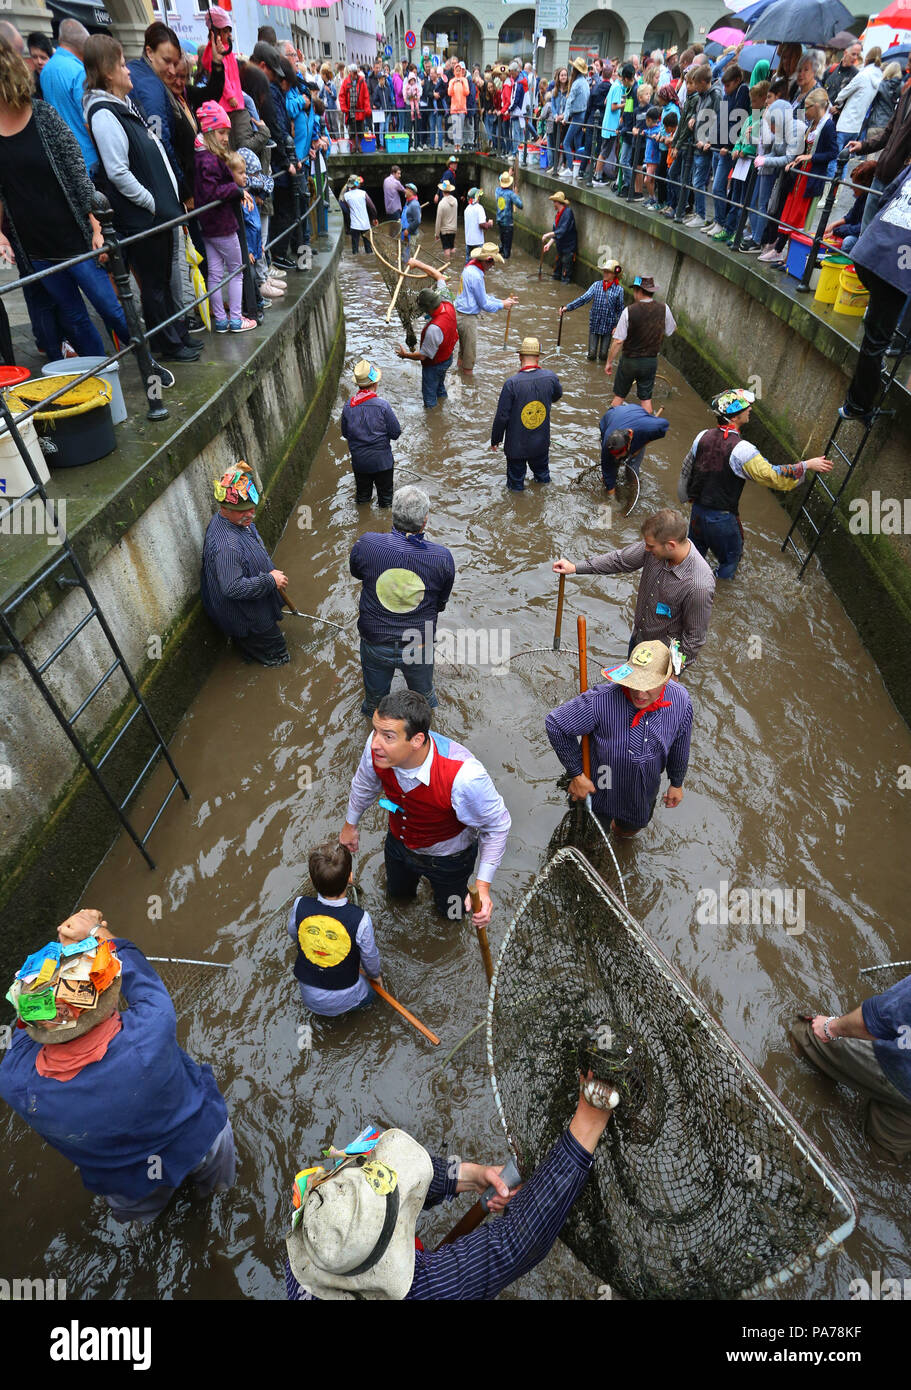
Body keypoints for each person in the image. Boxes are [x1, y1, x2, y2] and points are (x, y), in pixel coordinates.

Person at [284, 1070, 617, 1299]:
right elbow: (514, 1244)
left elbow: (392, 1181)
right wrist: (589, 1119)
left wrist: (472, 1176)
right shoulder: (428, 1292)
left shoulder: (313, 1234)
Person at [0, 908, 235, 1225]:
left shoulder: (15, 1081)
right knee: (220, 1189)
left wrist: (47, 981)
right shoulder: (153, 1024)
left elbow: (24, 1027)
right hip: (201, 1139)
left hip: (129, 1182)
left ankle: (149, 1224)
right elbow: (132, 965)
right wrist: (93, 932)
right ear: (110, 997)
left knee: (143, 1218)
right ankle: (220, 1199)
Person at [0, 39, 131, 361]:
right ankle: (102, 378)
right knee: (73, 317)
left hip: (75, 239)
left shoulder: (43, 116)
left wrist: (97, 228)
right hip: (36, 247)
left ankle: (148, 360)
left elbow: (77, 175)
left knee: (111, 308)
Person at [339, 690, 510, 926]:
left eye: (388, 736)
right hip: (399, 845)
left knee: (450, 916)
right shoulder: (376, 746)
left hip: (450, 860)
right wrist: (350, 825)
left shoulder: (465, 776)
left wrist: (482, 886)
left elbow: (497, 825)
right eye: (375, 730)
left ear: (417, 740)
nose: (375, 743)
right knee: (397, 898)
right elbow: (364, 784)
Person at [84, 34, 199, 366]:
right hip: (145, 216)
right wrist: (150, 201)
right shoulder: (104, 113)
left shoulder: (122, 105)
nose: (129, 70)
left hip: (158, 211)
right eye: (121, 65)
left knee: (162, 278)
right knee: (154, 283)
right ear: (107, 72)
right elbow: (118, 171)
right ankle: (169, 343)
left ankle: (176, 337)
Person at [677, 388, 833, 578]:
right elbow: (772, 476)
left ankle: (687, 587)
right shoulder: (743, 450)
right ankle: (719, 594)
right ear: (734, 417)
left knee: (693, 559)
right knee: (729, 561)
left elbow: (687, 470)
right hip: (721, 519)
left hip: (697, 514)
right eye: (745, 407)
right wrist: (806, 465)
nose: (750, 409)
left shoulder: (702, 436)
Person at [545, 639, 692, 839]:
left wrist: (676, 783)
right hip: (600, 788)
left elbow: (681, 743)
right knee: (591, 836)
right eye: (635, 683)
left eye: (649, 685)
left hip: (643, 790)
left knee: (630, 829)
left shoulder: (681, 701)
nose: (640, 693)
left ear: (666, 680)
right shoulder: (601, 701)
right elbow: (556, 724)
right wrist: (577, 774)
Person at [553, 509, 715, 669]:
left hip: (662, 658)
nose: (646, 549)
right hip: (639, 637)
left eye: (650, 546)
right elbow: (619, 560)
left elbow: (694, 639)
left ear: (671, 545)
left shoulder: (699, 585)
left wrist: (673, 673)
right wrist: (575, 567)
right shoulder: (655, 549)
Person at [348, 486, 454, 713]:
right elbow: (440, 603)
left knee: (375, 703)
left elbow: (357, 573)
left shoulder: (366, 545)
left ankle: (375, 737)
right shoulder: (441, 557)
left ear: (393, 515)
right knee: (422, 700)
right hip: (418, 643)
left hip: (375, 641)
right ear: (425, 521)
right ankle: (424, 738)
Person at [788, 971, 911, 1162]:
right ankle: (882, 1158)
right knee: (886, 1151)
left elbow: (872, 1021)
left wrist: (830, 1027)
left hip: (901, 1069)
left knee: (805, 1031)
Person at [838, 164, 911, 421]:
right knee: (876, 339)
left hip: (870, 251)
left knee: (876, 331)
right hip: (894, 265)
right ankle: (857, 406)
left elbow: (887, 194)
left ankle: (860, 392)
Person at [200, 460, 290, 666]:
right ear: (225, 508)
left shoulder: (238, 520)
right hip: (247, 618)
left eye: (252, 508)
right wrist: (269, 580)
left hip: (255, 606)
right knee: (278, 655)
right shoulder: (227, 547)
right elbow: (232, 588)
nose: (250, 514)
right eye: (243, 511)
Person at [288, 842, 382, 1018]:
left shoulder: (300, 904)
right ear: (350, 878)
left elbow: (294, 933)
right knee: (371, 996)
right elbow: (370, 957)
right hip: (348, 997)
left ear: (310, 879)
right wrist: (375, 977)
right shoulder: (361, 919)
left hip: (310, 999)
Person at [194, 101, 257, 333]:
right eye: (221, 132)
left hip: (208, 227)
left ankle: (220, 320)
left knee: (215, 273)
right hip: (222, 226)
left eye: (227, 133)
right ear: (210, 132)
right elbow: (213, 193)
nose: (225, 138)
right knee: (237, 270)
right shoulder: (210, 159)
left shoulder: (200, 155)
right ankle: (236, 319)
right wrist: (237, 190)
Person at [490, 336, 563, 492]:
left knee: (515, 487)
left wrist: (495, 440)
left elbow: (502, 416)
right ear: (538, 357)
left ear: (520, 356)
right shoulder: (550, 377)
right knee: (543, 479)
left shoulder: (512, 383)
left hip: (516, 446)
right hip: (541, 443)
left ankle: (519, 512)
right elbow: (557, 395)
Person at [605, 274, 675, 412]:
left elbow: (618, 341)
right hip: (650, 361)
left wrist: (609, 362)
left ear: (638, 291)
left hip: (629, 361)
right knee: (646, 399)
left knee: (619, 397)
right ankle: (647, 428)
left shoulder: (629, 311)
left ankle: (608, 425)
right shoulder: (664, 308)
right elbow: (671, 330)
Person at [395, 257, 458, 410]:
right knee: (440, 387)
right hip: (448, 358)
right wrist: (417, 263)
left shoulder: (433, 329)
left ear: (428, 310)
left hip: (434, 365)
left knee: (429, 399)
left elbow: (424, 356)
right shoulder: (447, 301)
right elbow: (439, 276)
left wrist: (405, 355)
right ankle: (443, 403)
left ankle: (433, 421)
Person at [35, 17, 95, 173]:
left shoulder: (46, 70)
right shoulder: (79, 71)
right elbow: (88, 121)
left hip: (63, 158)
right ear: (83, 45)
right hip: (88, 159)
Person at [340, 359, 400, 507]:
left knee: (362, 498)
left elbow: (345, 433)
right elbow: (396, 433)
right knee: (386, 501)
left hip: (360, 463)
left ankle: (362, 525)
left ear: (358, 384)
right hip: (382, 463)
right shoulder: (383, 406)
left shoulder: (348, 407)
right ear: (375, 384)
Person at [454, 241, 517, 374]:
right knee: (469, 360)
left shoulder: (470, 268)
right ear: (487, 260)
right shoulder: (477, 276)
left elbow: (483, 297)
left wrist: (502, 301)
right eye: (493, 262)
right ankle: (468, 387)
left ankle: (457, 378)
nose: (493, 265)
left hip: (459, 315)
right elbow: (484, 304)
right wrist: (502, 305)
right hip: (467, 320)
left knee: (462, 353)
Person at [559, 254, 625, 365]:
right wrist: (567, 307)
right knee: (591, 354)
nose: (605, 274)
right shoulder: (596, 285)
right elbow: (584, 299)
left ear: (614, 275)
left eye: (608, 272)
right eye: (604, 271)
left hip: (609, 326)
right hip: (595, 324)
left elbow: (620, 310)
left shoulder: (619, 290)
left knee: (603, 354)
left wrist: (617, 326)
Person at [597, 398, 670, 497]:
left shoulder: (649, 427)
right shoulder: (608, 443)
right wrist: (612, 500)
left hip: (636, 415)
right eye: (616, 454)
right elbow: (607, 470)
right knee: (609, 468)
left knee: (633, 466)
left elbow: (665, 425)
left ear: (630, 438)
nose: (617, 458)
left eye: (619, 454)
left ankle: (633, 493)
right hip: (611, 417)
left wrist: (643, 444)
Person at [832, 48, 882, 151]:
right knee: (844, 159)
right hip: (857, 126)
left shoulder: (863, 75)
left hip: (845, 123)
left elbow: (844, 93)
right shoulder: (878, 78)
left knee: (834, 159)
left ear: (867, 58)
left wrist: (837, 103)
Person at [560, 55, 589, 177]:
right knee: (577, 143)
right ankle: (578, 169)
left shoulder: (576, 84)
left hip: (576, 116)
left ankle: (571, 168)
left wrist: (565, 118)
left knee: (566, 142)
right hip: (582, 115)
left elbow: (569, 102)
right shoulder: (585, 83)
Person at [338, 174, 377, 255]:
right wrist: (374, 218)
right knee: (369, 250)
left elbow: (347, 208)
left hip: (354, 226)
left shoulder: (346, 196)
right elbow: (372, 207)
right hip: (365, 225)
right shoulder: (363, 193)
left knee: (355, 251)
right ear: (356, 184)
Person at [542, 189, 576, 282]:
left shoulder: (568, 213)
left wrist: (547, 235)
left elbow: (562, 230)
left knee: (565, 276)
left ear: (558, 202)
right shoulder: (558, 215)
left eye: (554, 202)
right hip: (560, 248)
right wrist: (548, 244)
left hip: (568, 249)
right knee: (556, 274)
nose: (553, 204)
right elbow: (556, 232)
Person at [339, 63, 371, 151]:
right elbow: (341, 96)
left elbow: (366, 96)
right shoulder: (346, 82)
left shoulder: (362, 81)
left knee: (360, 129)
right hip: (350, 110)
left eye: (356, 72)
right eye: (354, 73)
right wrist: (344, 108)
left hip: (360, 110)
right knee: (352, 129)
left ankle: (359, 145)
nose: (355, 74)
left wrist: (367, 108)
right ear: (350, 72)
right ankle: (353, 145)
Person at [494, 170, 523, 260]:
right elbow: (520, 205)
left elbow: (500, 179)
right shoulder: (510, 194)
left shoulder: (497, 191)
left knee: (503, 243)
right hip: (508, 223)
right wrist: (516, 194)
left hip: (499, 220)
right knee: (507, 249)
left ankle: (499, 255)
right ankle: (505, 261)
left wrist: (508, 175)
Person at [462, 186, 491, 261]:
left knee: (468, 263)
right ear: (476, 197)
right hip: (478, 242)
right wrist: (489, 224)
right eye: (478, 196)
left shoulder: (467, 209)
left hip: (468, 242)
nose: (479, 198)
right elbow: (482, 224)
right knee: (479, 263)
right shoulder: (479, 208)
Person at [447, 61, 469, 151]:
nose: (458, 72)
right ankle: (455, 145)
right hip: (454, 108)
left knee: (461, 127)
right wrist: (453, 83)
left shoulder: (464, 80)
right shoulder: (451, 81)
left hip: (462, 108)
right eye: (456, 70)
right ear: (454, 72)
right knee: (455, 128)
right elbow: (449, 93)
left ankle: (459, 145)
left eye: (459, 70)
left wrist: (462, 83)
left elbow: (466, 92)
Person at [434, 178, 457, 258]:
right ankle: (454, 260)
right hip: (453, 229)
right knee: (452, 247)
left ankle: (448, 263)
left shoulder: (441, 203)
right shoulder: (455, 201)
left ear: (442, 191)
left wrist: (437, 234)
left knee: (446, 249)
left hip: (445, 231)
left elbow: (438, 220)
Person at [383, 163, 406, 230]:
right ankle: (399, 240)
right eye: (398, 173)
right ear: (393, 173)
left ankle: (391, 240)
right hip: (395, 209)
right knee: (399, 228)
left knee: (392, 228)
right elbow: (405, 191)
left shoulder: (385, 180)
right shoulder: (396, 182)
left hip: (388, 209)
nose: (400, 175)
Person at [399, 181, 420, 248]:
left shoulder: (414, 204)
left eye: (406, 189)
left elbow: (417, 221)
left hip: (411, 234)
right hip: (404, 233)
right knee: (404, 254)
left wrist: (408, 230)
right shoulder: (408, 202)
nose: (404, 191)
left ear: (411, 192)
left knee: (411, 255)